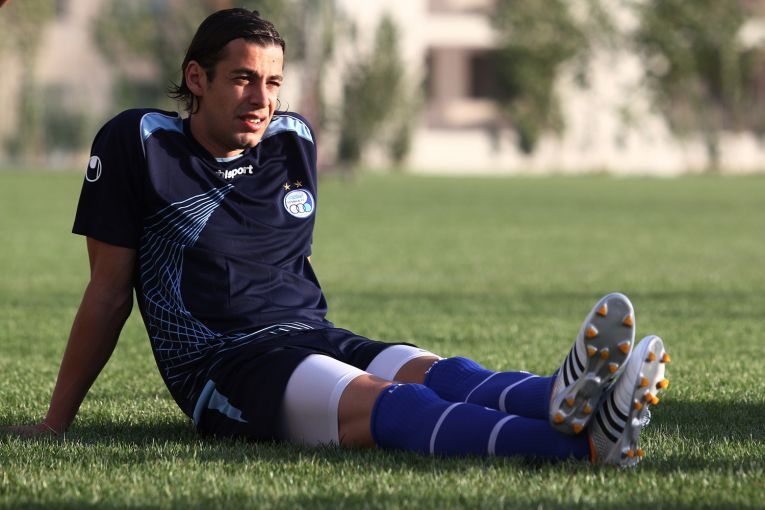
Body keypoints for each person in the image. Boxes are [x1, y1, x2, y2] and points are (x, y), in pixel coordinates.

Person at [4, 8, 670, 467]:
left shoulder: (293, 139)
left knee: (437, 371)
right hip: (224, 365)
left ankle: (561, 398)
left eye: (272, 82)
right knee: (393, 406)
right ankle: (580, 446)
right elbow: (108, 292)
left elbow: (286, 262)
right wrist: (57, 421)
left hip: (310, 331)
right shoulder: (140, 142)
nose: (260, 98)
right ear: (196, 79)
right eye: (242, 78)